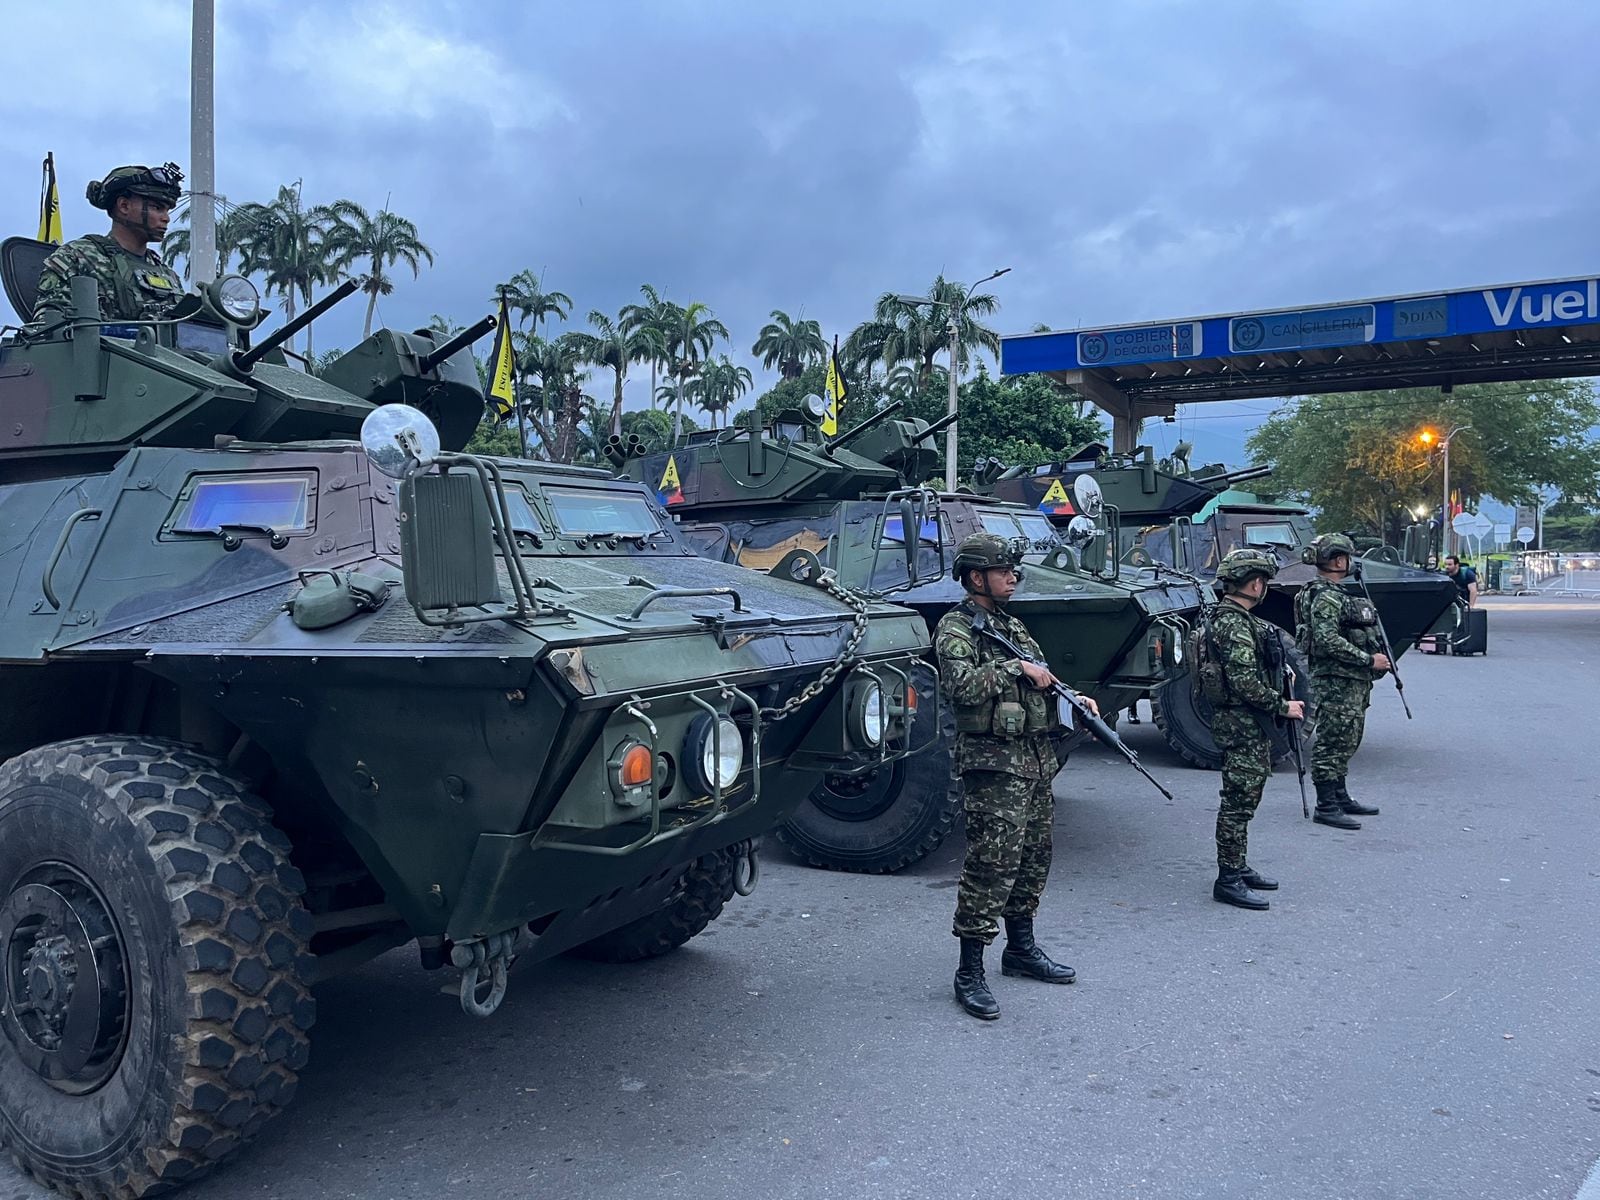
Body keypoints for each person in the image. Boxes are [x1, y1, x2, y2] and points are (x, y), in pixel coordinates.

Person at [936, 532, 1095, 1020]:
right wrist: (1013, 667)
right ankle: (970, 971)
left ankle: (1020, 949)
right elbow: (960, 686)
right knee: (991, 864)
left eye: (1013, 570)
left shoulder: (1011, 625)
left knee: (1033, 859)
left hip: (1034, 761)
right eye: (1004, 570)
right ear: (976, 576)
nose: (1013, 577)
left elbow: (1042, 677)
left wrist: (1073, 698)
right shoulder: (956, 627)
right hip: (993, 766)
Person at [1201, 548, 1305, 910]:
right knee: (1237, 801)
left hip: (1249, 724)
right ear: (1255, 583)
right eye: (1263, 581)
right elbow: (1243, 681)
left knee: (1247, 798)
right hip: (1242, 724)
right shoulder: (1233, 623)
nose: (1264, 588)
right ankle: (1227, 877)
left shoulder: (1241, 620)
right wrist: (1283, 706)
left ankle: (1238, 864)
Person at [1294, 533, 1391, 829]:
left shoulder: (1327, 592)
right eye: (1348, 557)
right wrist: (1367, 660)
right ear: (1339, 560)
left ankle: (1339, 795)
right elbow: (1326, 640)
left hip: (1347, 680)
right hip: (1337, 680)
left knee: (1347, 738)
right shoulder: (1326, 596)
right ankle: (1326, 805)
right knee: (1333, 741)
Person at [32, 163, 185, 324]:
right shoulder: (77, 258)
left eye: (167, 210)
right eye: (157, 208)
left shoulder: (166, 274)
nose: (166, 218)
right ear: (124, 206)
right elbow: (48, 328)